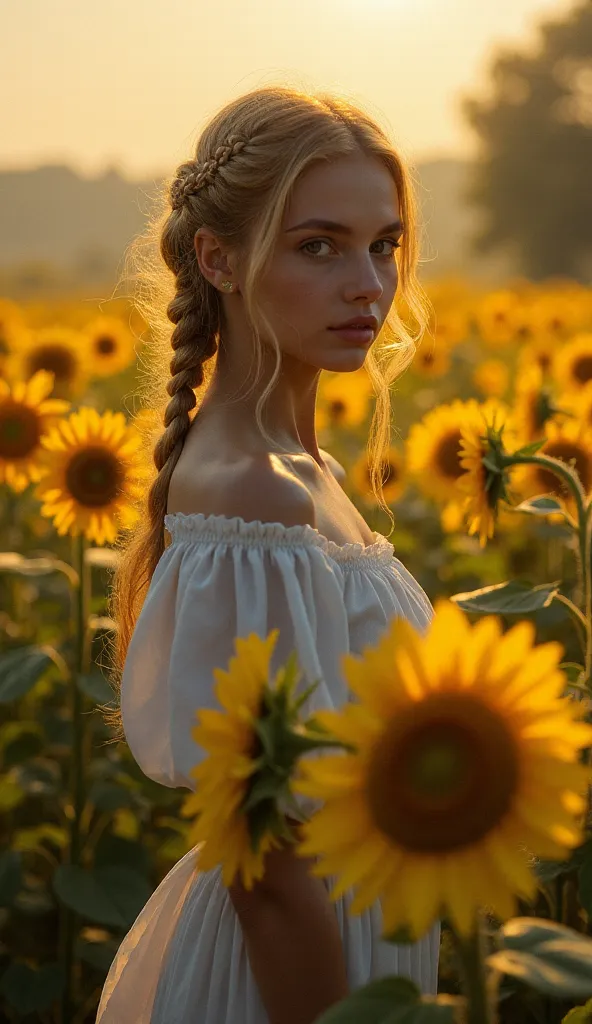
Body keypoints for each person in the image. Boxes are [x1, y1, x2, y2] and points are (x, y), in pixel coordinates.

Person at [95, 84, 441, 1024]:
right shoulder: (255, 492)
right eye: (317, 245)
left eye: (384, 245)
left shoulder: (303, 470)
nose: (368, 284)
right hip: (294, 977)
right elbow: (270, 874)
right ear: (220, 258)